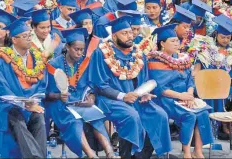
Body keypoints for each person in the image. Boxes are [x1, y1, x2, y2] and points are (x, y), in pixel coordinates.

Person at [89, 16, 172, 158]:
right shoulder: (101, 53)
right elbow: (100, 85)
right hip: (111, 100)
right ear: (114, 36)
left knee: (160, 115)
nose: (130, 36)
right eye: (124, 33)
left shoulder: (138, 53)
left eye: (130, 32)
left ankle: (142, 156)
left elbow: (144, 80)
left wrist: (144, 93)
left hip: (135, 99)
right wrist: (123, 96)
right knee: (131, 117)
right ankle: (126, 155)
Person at [46, 28, 118, 158]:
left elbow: (92, 85)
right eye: (76, 49)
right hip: (60, 105)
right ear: (67, 47)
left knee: (96, 118)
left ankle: (110, 153)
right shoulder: (54, 64)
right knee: (75, 121)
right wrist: (58, 96)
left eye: (82, 49)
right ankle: (91, 155)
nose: (80, 53)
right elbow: (46, 93)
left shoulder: (85, 63)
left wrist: (91, 97)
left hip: (81, 102)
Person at [148, 24, 213, 159]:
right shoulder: (154, 61)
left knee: (203, 113)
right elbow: (160, 89)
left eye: (177, 40)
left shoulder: (182, 58)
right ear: (162, 44)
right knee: (189, 116)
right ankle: (187, 153)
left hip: (185, 97)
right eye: (172, 41)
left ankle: (198, 151)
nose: (177, 43)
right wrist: (181, 96)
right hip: (166, 100)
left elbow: (190, 80)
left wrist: (189, 95)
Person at [0, 17, 48, 158]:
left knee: (39, 118)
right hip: (8, 106)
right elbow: (1, 89)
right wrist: (23, 104)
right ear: (14, 39)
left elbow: (42, 85)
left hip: (32, 105)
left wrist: (33, 102)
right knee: (17, 121)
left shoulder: (37, 59)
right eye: (24, 36)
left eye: (30, 35)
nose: (29, 39)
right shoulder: (0, 61)